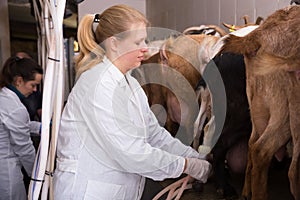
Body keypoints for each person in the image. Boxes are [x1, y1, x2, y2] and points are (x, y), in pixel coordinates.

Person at [53, 4, 211, 200]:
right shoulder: (97, 84)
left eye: (145, 40)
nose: (145, 48)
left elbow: (154, 134)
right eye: (137, 42)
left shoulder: (131, 84)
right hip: (88, 191)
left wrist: (193, 155)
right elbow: (133, 153)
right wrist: (186, 165)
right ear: (114, 44)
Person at [0, 56, 43, 200]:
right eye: (33, 85)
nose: (35, 90)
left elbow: (17, 124)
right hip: (7, 170)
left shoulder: (4, 97)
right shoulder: (15, 108)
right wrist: (37, 177)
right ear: (19, 81)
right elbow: (24, 148)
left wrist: (41, 127)